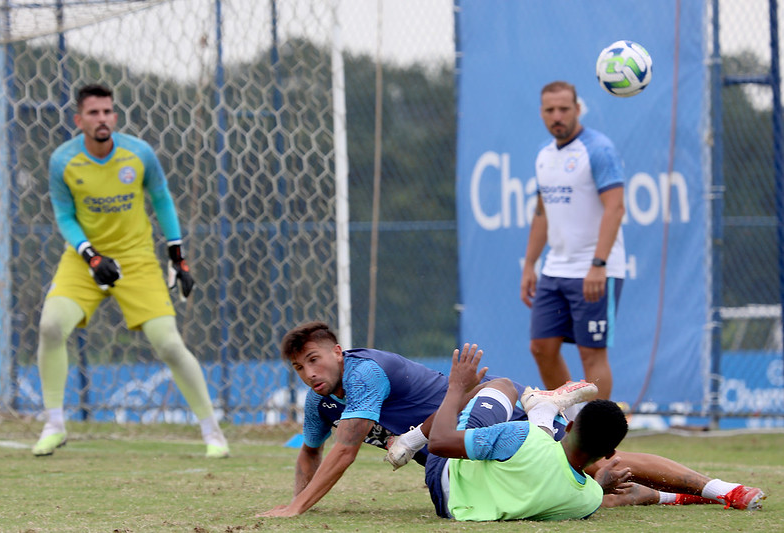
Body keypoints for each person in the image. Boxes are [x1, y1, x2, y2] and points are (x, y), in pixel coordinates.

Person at [258, 321, 764, 517]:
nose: (309, 373)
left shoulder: (364, 374)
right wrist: (300, 496)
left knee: (591, 456)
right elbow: (312, 449)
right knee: (587, 477)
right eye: (299, 367)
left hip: (485, 420)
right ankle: (698, 494)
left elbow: (345, 448)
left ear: (339, 353)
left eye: (315, 360)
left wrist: (297, 508)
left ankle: (723, 489)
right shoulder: (320, 402)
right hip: (474, 455)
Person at [32, 83, 229, 459]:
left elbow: (162, 200)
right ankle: (54, 425)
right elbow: (63, 215)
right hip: (83, 260)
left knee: (169, 344)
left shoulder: (139, 154)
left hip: (136, 260)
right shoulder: (62, 160)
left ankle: (213, 432)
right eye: (93, 113)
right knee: (50, 326)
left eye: (107, 112)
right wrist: (90, 256)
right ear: (79, 119)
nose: (102, 119)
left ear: (115, 116)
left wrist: (178, 256)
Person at [424, 342, 629, 520]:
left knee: (504, 386)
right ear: (609, 453)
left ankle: (411, 439)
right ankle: (543, 410)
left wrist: (457, 386)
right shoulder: (589, 500)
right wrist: (600, 485)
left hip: (442, 475)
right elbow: (582, 490)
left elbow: (439, 443)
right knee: (535, 447)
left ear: (569, 426)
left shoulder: (521, 436)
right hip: (451, 509)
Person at [520, 80, 626, 402]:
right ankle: (572, 423)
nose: (557, 116)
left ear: (578, 110)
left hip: (593, 270)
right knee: (541, 347)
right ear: (541, 113)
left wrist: (598, 265)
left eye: (564, 109)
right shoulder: (543, 154)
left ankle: (598, 442)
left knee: (591, 356)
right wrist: (529, 264)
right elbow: (542, 213)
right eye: (550, 110)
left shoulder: (598, 149)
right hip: (556, 268)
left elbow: (616, 207)